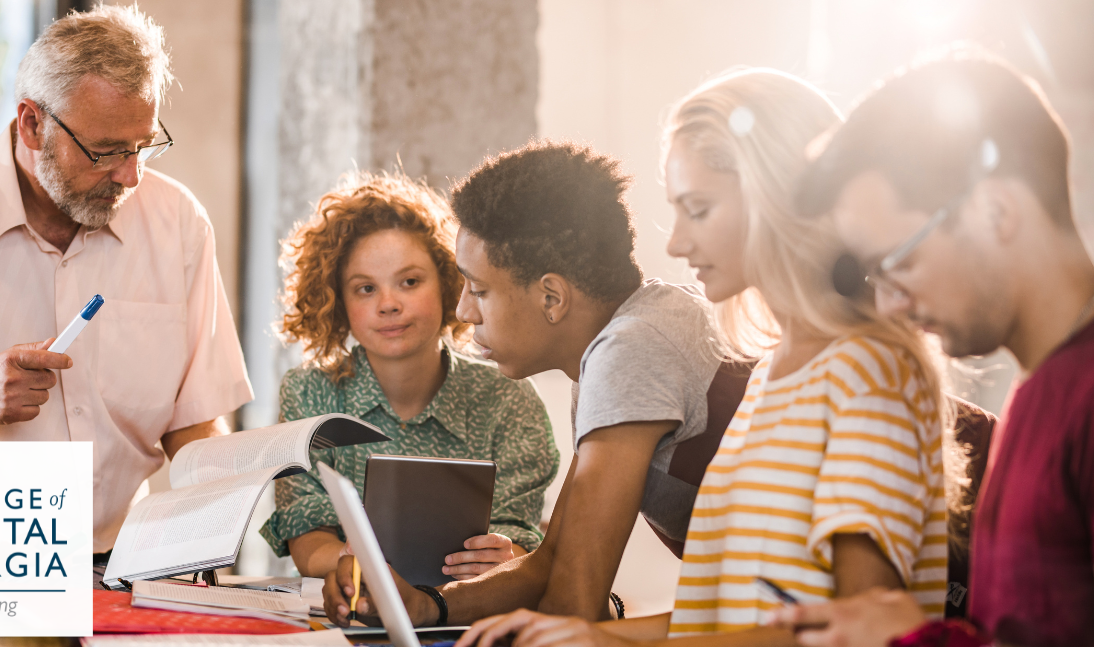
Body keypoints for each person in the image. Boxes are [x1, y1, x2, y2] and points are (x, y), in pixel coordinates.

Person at [453, 69, 954, 647]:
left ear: (776, 199)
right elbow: (727, 620)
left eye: (699, 209)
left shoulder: (867, 372)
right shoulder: (772, 375)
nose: (676, 243)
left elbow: (856, 631)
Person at [0, 5, 254, 553]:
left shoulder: (177, 223)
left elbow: (194, 425)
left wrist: (221, 519)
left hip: (117, 568)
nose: (130, 175)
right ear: (31, 123)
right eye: (106, 151)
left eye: (142, 146)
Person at [325, 140, 745, 626]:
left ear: (552, 298)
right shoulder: (633, 332)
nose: (463, 311)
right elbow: (552, 562)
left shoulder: (631, 351)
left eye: (479, 290)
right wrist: (426, 604)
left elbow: (573, 605)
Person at [769, 53, 1094, 647]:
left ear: (996, 210)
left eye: (901, 263)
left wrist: (918, 640)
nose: (890, 305)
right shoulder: (1037, 396)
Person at [259, 172, 558, 580]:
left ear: (451, 283)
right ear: (338, 301)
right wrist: (356, 566)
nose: (388, 304)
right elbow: (306, 537)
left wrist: (506, 557)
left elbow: (517, 534)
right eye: (365, 288)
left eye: (410, 281)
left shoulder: (510, 398)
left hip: (472, 614)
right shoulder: (308, 392)